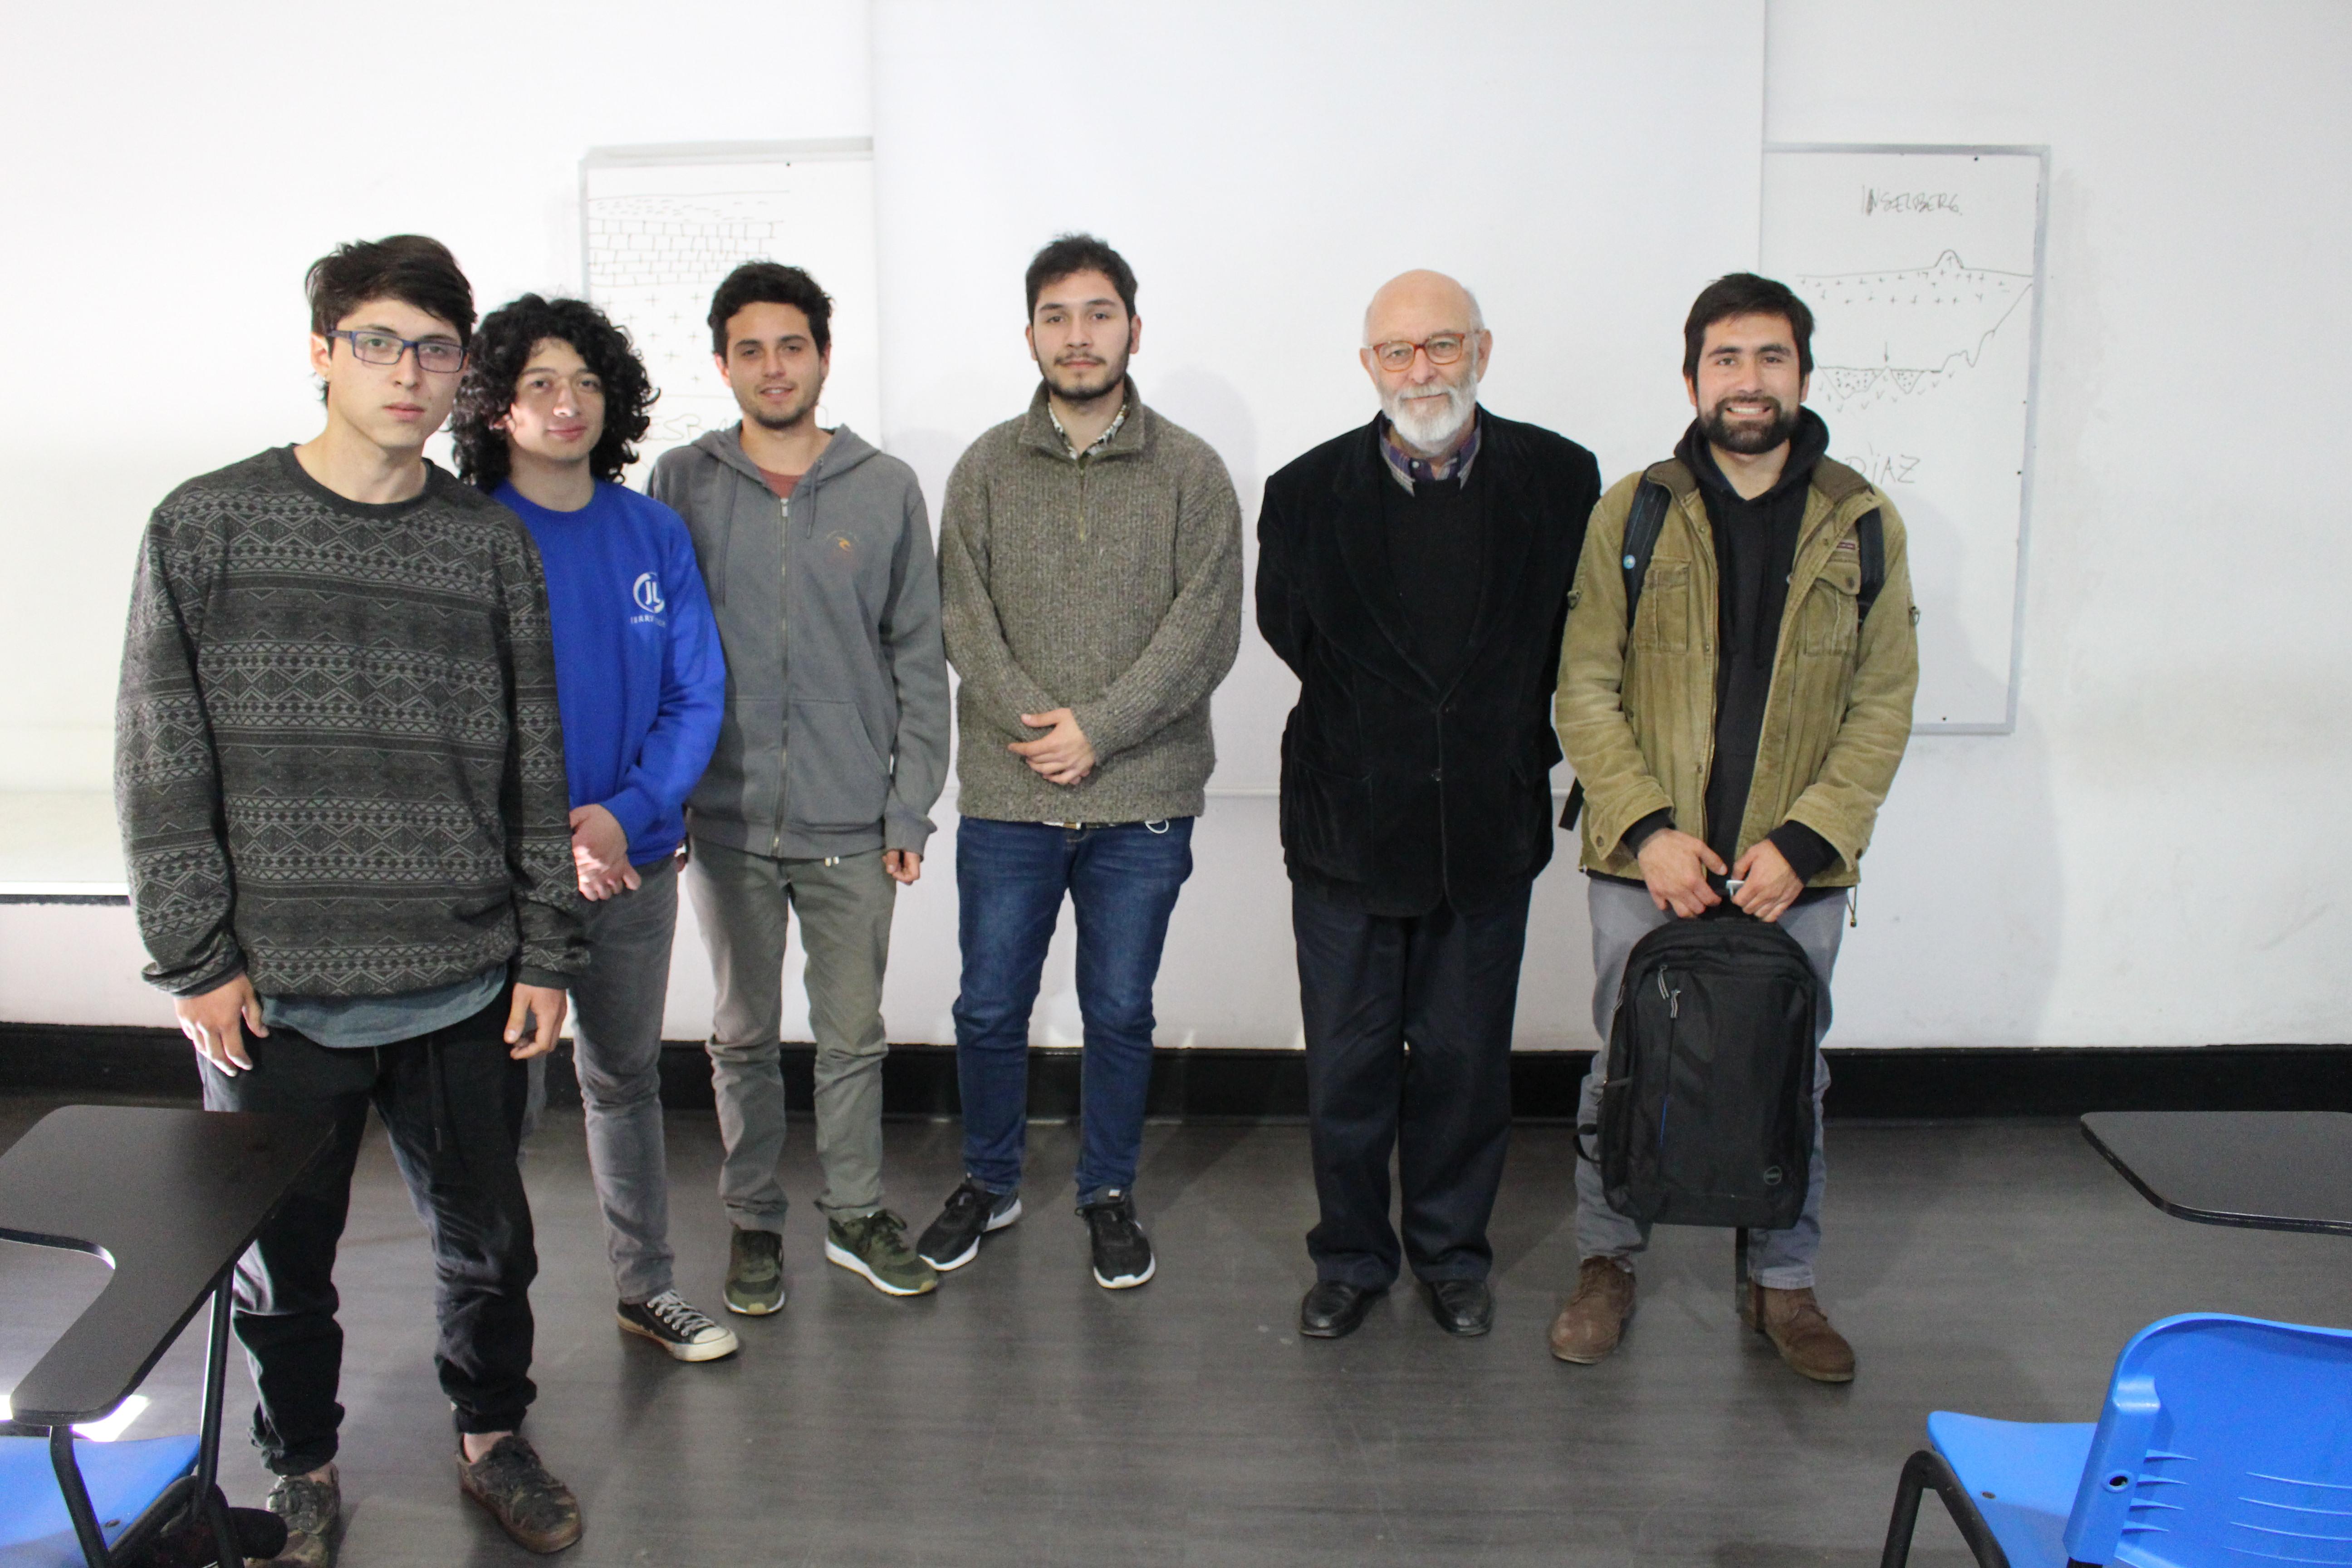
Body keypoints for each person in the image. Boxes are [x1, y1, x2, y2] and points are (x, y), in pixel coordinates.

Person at [114, 236, 587, 1564]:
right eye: (377, 341)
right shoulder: (205, 526)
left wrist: (547, 951)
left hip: (464, 978)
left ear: (463, 376)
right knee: (280, 1268)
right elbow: (161, 756)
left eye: (436, 348)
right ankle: (302, 1465)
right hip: (278, 990)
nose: (407, 371)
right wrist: (194, 958)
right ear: (322, 352)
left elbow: (533, 764)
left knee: (491, 1247)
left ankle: (495, 1440)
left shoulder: (488, 549)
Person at [1550, 272, 1919, 1382]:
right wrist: (1651, 830)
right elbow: (1584, 685)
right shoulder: (1636, 510)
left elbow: (1884, 699)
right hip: (1645, 864)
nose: (1748, 381)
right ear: (1692, 376)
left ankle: (1785, 1285)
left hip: (1791, 876)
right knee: (1625, 1063)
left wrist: (1805, 845)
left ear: (1803, 374)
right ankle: (1606, 1263)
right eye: (1726, 359)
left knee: (1790, 1072)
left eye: (1770, 358)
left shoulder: (1860, 522)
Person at [1257, 270, 1600, 1341]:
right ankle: (1353, 1256)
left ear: (1483, 352)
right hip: (1346, 833)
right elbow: (1294, 638)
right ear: (1369, 367)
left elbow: (1571, 641)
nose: (1423, 371)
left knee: (1463, 1065)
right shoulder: (1303, 492)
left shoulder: (1561, 479)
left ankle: (1453, 1256)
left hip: (1486, 828)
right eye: (1398, 352)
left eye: (1443, 346)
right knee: (1349, 1068)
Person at [920, 233, 1242, 1291]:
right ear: (1030, 336)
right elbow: (964, 619)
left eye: (1098, 314)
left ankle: (1108, 1190)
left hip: (1143, 797)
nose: (1078, 335)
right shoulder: (981, 470)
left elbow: (1205, 632)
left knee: (1118, 1010)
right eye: (1056, 317)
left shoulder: (1193, 471)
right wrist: (1041, 726)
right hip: (1012, 795)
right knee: (987, 1006)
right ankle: (991, 1179)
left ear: (1133, 330)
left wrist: (1099, 730)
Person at [648, 262, 951, 1308]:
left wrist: (909, 803)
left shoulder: (886, 486)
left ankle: (857, 1213)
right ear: (723, 362)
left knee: (853, 1035)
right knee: (739, 1034)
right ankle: (753, 1221)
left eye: (791, 346)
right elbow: (661, 654)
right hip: (725, 821)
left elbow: (919, 656)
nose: (772, 368)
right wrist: (661, 797)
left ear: (823, 353)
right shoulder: (681, 481)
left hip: (852, 824)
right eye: (750, 349)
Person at [450, 294, 734, 1362]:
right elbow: (455, 718)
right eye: (539, 386)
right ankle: (487, 1321)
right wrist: (552, 843)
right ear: (498, 409)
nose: (566, 405)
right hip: (504, 884)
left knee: (622, 1080)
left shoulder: (652, 530)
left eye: (585, 383)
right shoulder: (466, 533)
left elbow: (695, 694)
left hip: (635, 863)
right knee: (500, 1107)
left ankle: (646, 1287)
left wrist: (621, 818)